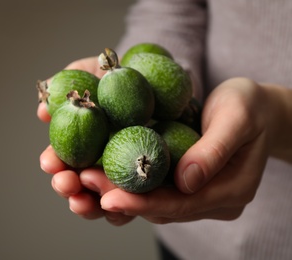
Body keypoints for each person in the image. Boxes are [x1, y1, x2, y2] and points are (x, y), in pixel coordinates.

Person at [37, 1, 292, 259]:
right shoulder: (123, 94)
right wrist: (171, 73)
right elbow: (168, 9)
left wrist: (278, 117)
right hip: (186, 244)